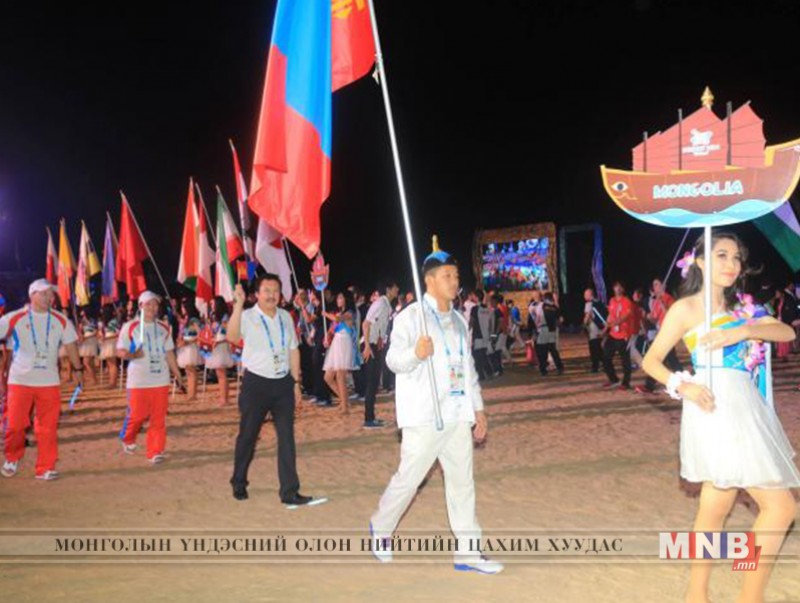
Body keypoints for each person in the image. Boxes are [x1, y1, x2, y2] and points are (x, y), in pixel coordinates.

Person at [642, 232, 799, 603]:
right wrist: (683, 386)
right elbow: (651, 361)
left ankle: (696, 594)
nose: (732, 264)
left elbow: (784, 331)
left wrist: (743, 330)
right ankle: (749, 596)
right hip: (714, 408)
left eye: (736, 257)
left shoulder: (742, 309)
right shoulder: (685, 309)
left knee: (716, 507)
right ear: (699, 261)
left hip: (746, 407)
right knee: (780, 508)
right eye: (722, 255)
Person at [369, 240, 503, 574]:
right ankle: (381, 527)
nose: (454, 282)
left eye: (456, 276)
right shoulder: (410, 318)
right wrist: (416, 353)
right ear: (429, 280)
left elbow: (467, 367)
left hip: (457, 414)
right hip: (424, 417)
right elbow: (392, 360)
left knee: (462, 483)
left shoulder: (458, 319)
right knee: (409, 480)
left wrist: (478, 409)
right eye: (447, 276)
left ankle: (468, 552)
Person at [227, 275, 322, 506]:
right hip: (256, 385)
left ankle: (289, 491)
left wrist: (296, 383)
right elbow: (232, 337)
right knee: (248, 436)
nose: (272, 295)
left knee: (287, 437)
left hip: (282, 384)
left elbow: (293, 350)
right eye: (267, 290)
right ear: (257, 294)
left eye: (276, 291)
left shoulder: (285, 317)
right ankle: (239, 480)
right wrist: (238, 305)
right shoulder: (247, 316)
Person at [0, 279, 84, 480]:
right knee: (15, 425)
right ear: (32, 295)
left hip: (49, 381)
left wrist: (78, 369)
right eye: (45, 293)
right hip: (20, 380)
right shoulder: (15, 317)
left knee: (48, 426)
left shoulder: (61, 320)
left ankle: (45, 467)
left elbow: (71, 345)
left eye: (51, 294)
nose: (49, 297)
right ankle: (12, 457)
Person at [117, 291, 183, 465]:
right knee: (137, 415)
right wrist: (133, 355)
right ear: (141, 306)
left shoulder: (164, 327)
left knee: (158, 417)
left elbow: (169, 352)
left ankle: (155, 451)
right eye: (148, 304)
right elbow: (120, 351)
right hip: (138, 380)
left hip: (160, 378)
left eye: (155, 304)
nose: (152, 308)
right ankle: (127, 437)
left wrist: (177, 373)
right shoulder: (130, 327)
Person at [361, 279, 399, 428]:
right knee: (372, 382)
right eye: (395, 287)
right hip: (369, 345)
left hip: (375, 345)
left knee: (374, 382)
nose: (397, 289)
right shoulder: (380, 304)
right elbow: (366, 324)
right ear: (388, 289)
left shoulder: (387, 305)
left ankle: (371, 417)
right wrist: (367, 347)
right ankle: (368, 419)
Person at [635, 278, 683, 394]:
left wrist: (662, 304)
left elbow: (671, 315)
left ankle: (649, 385)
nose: (654, 287)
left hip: (670, 332)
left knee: (665, 359)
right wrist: (647, 316)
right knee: (668, 360)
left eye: (657, 284)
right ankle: (650, 385)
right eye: (654, 285)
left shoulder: (669, 298)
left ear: (663, 286)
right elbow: (654, 319)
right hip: (661, 332)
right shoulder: (656, 301)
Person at [323, 291, 362, 414]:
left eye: (340, 297)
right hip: (337, 343)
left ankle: (345, 407)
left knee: (340, 376)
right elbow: (333, 327)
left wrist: (325, 314)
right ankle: (344, 401)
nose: (338, 300)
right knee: (328, 377)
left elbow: (337, 319)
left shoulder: (350, 312)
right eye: (338, 298)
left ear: (346, 299)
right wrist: (327, 336)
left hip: (344, 343)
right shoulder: (340, 313)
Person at [601, 281, 634, 390]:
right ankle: (613, 379)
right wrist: (604, 330)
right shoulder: (612, 301)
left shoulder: (626, 301)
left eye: (620, 287)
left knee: (625, 360)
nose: (618, 289)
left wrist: (617, 322)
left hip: (624, 335)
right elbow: (610, 316)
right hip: (613, 334)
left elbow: (626, 315)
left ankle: (626, 383)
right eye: (616, 287)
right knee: (605, 357)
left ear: (623, 289)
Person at [205, 296, 235, 407]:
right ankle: (222, 397)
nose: (211, 306)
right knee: (219, 373)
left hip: (221, 346)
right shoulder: (214, 317)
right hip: (215, 346)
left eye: (213, 304)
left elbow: (226, 333)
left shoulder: (225, 318)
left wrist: (217, 340)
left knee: (222, 373)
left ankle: (224, 399)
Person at [175, 299, 203, 401]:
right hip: (185, 346)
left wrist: (188, 342)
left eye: (183, 307)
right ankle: (190, 393)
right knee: (188, 371)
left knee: (192, 370)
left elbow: (200, 334)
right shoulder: (186, 319)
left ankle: (193, 394)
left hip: (191, 346)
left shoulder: (194, 320)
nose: (182, 309)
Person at [535, 292, 564, 375]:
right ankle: (560, 367)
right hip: (552, 330)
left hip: (543, 329)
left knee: (542, 350)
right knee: (553, 349)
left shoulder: (540, 306)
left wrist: (537, 328)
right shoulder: (554, 307)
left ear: (544, 298)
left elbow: (537, 318)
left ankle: (543, 369)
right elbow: (561, 320)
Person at [582, 288, 605, 373]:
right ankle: (605, 364)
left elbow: (587, 316)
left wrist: (584, 325)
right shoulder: (599, 302)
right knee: (598, 347)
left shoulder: (589, 304)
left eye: (585, 294)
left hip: (593, 328)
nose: (584, 296)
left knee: (594, 348)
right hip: (600, 326)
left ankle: (595, 367)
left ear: (590, 294)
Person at [99, 303, 121, 389]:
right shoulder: (105, 322)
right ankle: (111, 381)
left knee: (113, 363)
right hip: (107, 343)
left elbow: (118, 333)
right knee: (109, 363)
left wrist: (106, 338)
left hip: (112, 343)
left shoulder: (114, 321)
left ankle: (113, 383)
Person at [78, 308, 99, 385]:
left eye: (83, 312)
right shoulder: (82, 321)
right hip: (85, 342)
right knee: (90, 362)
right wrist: (81, 334)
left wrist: (86, 337)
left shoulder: (92, 320)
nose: (81, 313)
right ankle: (94, 379)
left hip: (91, 341)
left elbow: (96, 331)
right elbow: (81, 332)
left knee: (86, 362)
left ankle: (93, 379)